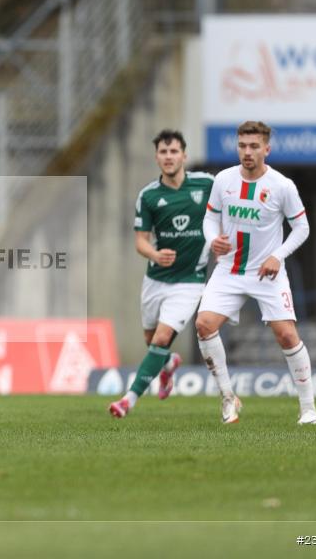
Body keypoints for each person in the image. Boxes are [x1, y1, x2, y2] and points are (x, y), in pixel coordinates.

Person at [195, 121, 316, 425]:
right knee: (204, 324)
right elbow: (209, 219)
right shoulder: (223, 180)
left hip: (267, 273)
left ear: (267, 149)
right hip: (229, 270)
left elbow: (302, 228)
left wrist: (278, 255)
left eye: (253, 146)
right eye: (242, 146)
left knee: (287, 335)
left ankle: (308, 409)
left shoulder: (282, 185)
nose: (247, 152)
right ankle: (227, 397)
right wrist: (213, 240)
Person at [109, 130, 214, 418]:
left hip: (190, 281)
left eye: (174, 152)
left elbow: (231, 198)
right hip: (156, 279)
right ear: (157, 157)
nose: (169, 157)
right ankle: (167, 365)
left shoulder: (206, 184)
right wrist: (155, 254)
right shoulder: (149, 195)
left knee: (161, 338)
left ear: (184, 156)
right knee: (150, 338)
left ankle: (127, 400)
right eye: (163, 152)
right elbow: (141, 240)